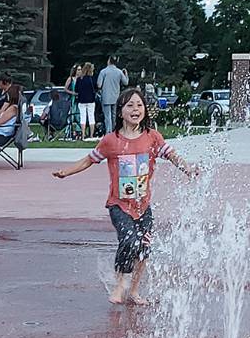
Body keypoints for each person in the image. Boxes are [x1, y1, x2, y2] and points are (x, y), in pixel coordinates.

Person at [53, 88, 198, 305]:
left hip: (143, 205)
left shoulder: (152, 138)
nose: (135, 109)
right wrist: (66, 172)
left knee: (144, 248)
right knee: (129, 240)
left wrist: (187, 168)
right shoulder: (111, 141)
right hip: (119, 205)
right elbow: (88, 160)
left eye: (139, 105)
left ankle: (135, 290)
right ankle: (121, 284)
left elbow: (171, 155)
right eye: (130, 105)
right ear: (120, 112)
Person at [97, 56, 129, 134]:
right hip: (116, 97)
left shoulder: (103, 72)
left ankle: (109, 132)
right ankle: (115, 130)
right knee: (114, 115)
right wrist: (126, 74)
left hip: (106, 97)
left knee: (107, 116)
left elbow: (99, 84)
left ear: (109, 61)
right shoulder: (119, 72)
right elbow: (126, 83)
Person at [75, 62, 98, 139]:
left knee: (83, 117)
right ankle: (91, 135)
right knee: (91, 117)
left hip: (81, 100)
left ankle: (83, 135)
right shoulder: (92, 78)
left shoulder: (79, 79)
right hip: (91, 100)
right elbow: (96, 88)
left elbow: (76, 90)